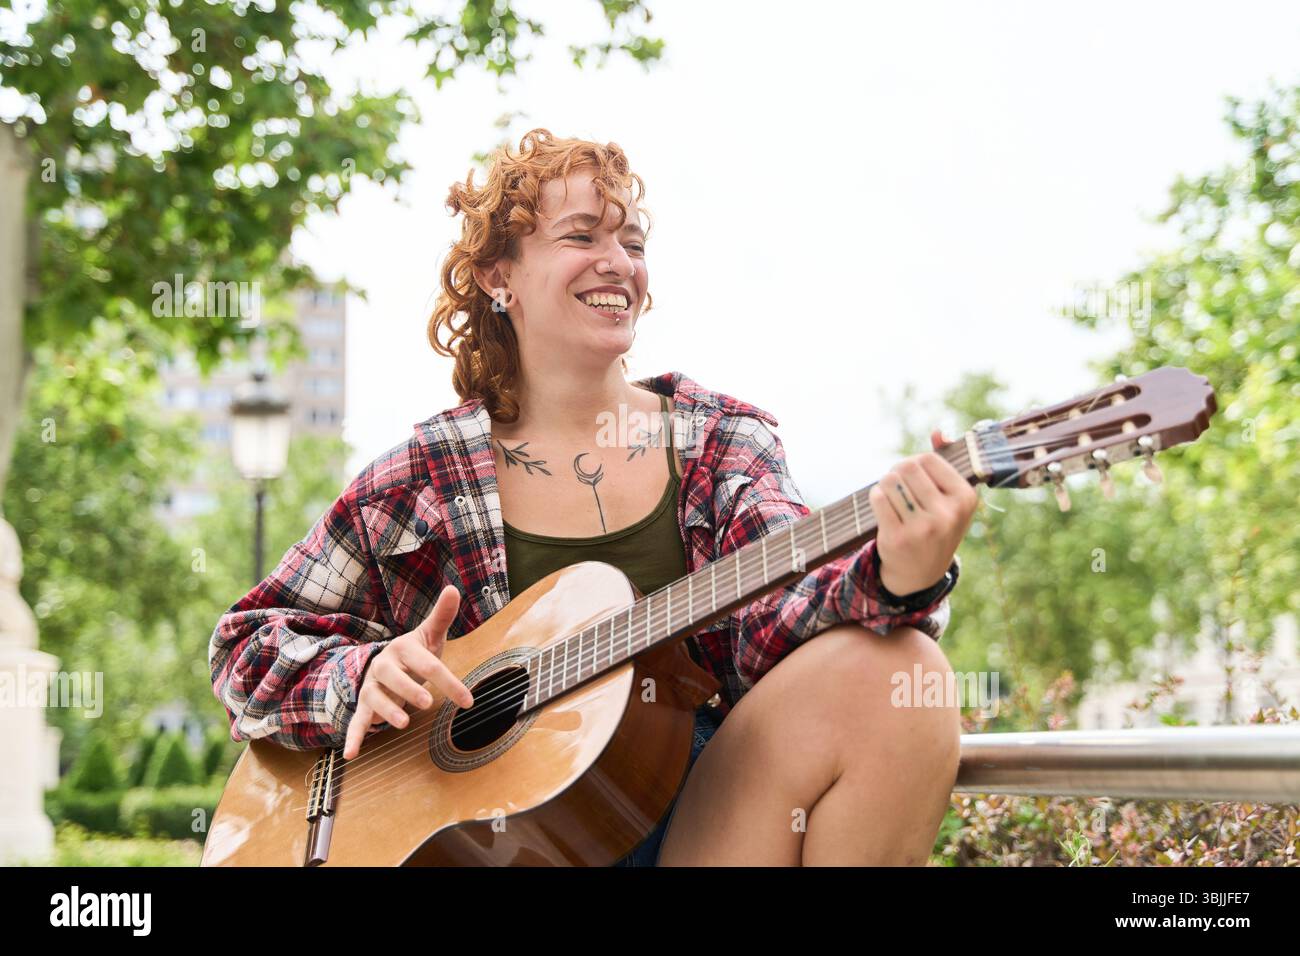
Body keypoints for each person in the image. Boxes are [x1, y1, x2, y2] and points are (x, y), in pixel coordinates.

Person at [209, 128, 977, 866]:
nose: (619, 264)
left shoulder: (719, 444)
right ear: (496, 276)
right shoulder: (421, 478)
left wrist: (896, 574)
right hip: (500, 853)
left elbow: (781, 616)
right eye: (582, 236)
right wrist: (363, 674)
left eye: (633, 243)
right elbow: (245, 644)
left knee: (900, 674)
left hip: (704, 826)